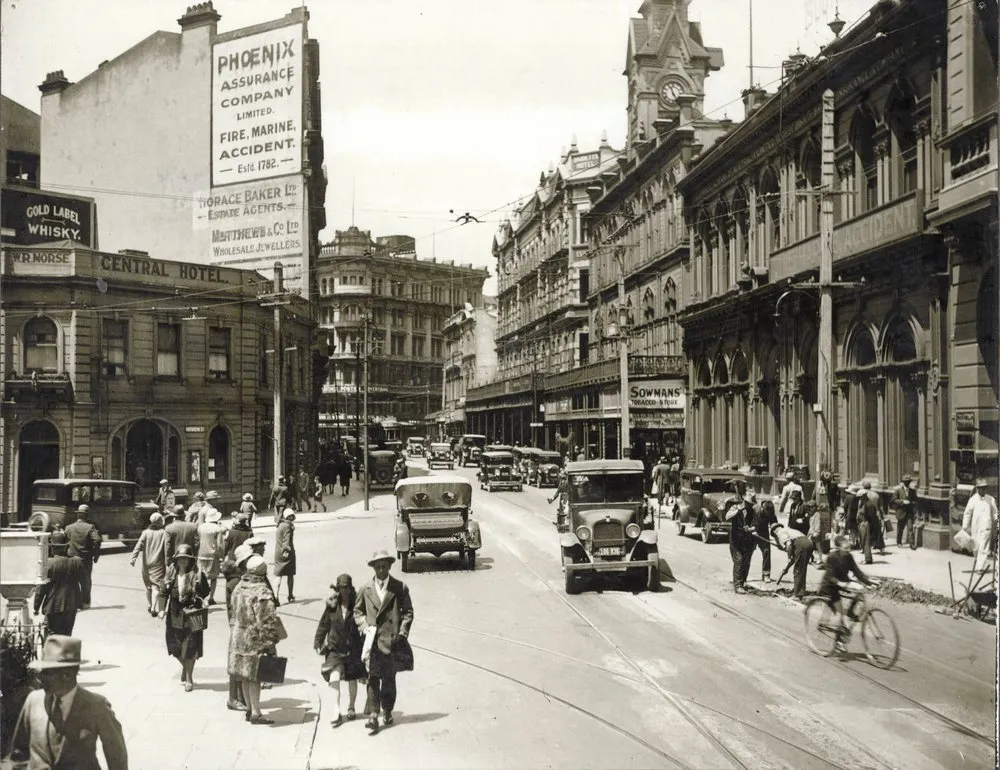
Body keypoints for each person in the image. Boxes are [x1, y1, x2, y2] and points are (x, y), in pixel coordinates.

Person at [9, 635, 128, 770]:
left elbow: (117, 758)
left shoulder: (97, 706)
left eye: (47, 673)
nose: (40, 677)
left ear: (67, 675)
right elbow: (19, 754)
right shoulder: (33, 701)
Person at [355, 549, 414, 734]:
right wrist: (364, 625)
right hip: (372, 642)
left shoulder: (399, 587)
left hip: (391, 641)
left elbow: (408, 612)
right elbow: (358, 612)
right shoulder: (365, 589)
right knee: (372, 678)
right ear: (373, 568)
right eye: (377, 566)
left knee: (389, 678)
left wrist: (402, 633)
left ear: (389, 566)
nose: (381, 569)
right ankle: (373, 714)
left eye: (384, 566)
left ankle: (387, 710)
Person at [228, 554, 286, 725]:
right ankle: (256, 713)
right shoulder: (262, 591)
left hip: (238, 637)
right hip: (254, 638)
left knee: (245, 675)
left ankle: (248, 709)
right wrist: (271, 643)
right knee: (255, 676)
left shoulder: (240, 586)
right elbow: (267, 620)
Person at [314, 574, 364, 727]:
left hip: (352, 648)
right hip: (334, 647)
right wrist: (318, 642)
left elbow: (364, 624)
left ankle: (351, 707)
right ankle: (336, 711)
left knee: (352, 678)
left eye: (347, 588)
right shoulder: (332, 605)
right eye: (341, 588)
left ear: (350, 588)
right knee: (334, 677)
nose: (344, 591)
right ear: (338, 589)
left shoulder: (357, 605)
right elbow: (323, 625)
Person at [159, 544, 209, 692]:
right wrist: (161, 609)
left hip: (191, 616)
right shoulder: (171, 574)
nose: (182, 562)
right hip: (174, 616)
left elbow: (205, 592)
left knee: (191, 648)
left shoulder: (197, 574)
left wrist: (201, 589)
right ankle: (185, 667)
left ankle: (189, 677)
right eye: (180, 559)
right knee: (174, 647)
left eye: (185, 559)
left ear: (190, 560)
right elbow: (163, 593)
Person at [818, 534, 879, 652]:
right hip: (830, 587)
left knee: (859, 591)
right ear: (838, 548)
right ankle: (839, 642)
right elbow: (831, 577)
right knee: (841, 614)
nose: (848, 551)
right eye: (845, 549)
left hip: (842, 583)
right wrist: (841, 584)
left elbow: (857, 572)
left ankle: (850, 612)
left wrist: (869, 581)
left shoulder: (849, 557)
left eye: (849, 548)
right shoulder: (832, 557)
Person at [33, 531, 86, 637]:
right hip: (71, 605)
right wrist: (83, 601)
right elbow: (85, 583)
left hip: (53, 606)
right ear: (66, 546)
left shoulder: (48, 564)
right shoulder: (77, 562)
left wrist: (36, 607)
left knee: (51, 637)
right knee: (66, 636)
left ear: (52, 548)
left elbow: (41, 588)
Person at [224, 543, 254, 712]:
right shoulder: (237, 581)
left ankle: (238, 697)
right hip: (240, 626)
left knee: (238, 661)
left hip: (238, 625)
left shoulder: (236, 579)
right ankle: (234, 698)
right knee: (238, 662)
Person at [63, 504, 102, 610]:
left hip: (71, 559)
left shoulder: (68, 527)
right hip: (85, 559)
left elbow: (63, 541)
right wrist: (96, 554)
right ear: (87, 515)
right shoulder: (90, 527)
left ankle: (74, 602)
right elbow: (97, 540)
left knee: (72, 581)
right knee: (86, 581)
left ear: (78, 515)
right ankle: (85, 603)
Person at [130, 512, 168, 616]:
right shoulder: (163, 533)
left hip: (146, 564)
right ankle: (154, 608)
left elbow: (138, 545)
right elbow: (167, 549)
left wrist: (133, 558)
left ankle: (150, 605)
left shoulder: (145, 532)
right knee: (156, 586)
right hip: (158, 564)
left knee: (148, 586)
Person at [770, 522, 814, 601]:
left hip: (801, 544)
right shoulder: (791, 530)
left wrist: (788, 555)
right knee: (802, 568)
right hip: (808, 543)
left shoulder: (780, 532)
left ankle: (796, 595)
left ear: (774, 531)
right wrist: (786, 568)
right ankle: (800, 591)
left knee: (798, 570)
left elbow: (788, 544)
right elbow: (794, 558)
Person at [962, 478, 998, 572]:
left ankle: (980, 567)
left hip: (987, 527)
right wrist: (965, 526)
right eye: (980, 488)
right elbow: (967, 513)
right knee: (976, 547)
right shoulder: (973, 500)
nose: (982, 490)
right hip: (976, 527)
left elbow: (995, 512)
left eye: (984, 488)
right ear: (977, 489)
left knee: (983, 546)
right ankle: (978, 562)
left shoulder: (990, 499)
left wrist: (997, 522)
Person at [725, 490, 758, 593]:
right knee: (738, 560)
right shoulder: (735, 507)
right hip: (735, 539)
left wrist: (751, 529)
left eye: (751, 504)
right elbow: (727, 517)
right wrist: (737, 511)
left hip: (747, 540)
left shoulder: (753, 511)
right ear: (744, 501)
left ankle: (743, 582)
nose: (749, 505)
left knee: (746, 562)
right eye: (748, 503)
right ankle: (737, 585)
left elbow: (756, 525)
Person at [196, 507, 226, 605]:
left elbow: (197, 541)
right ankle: (211, 597)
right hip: (213, 555)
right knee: (213, 577)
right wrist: (222, 556)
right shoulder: (217, 528)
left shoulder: (201, 527)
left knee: (200, 577)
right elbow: (220, 544)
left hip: (201, 554)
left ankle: (200, 596)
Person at [857, 480, 884, 564]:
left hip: (866, 520)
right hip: (876, 516)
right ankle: (880, 547)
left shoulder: (865, 501)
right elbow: (880, 506)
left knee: (866, 539)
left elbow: (866, 512)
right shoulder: (876, 494)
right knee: (878, 533)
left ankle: (867, 557)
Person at [752, 498, 779, 583]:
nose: (768, 515)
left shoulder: (771, 512)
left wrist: (778, 537)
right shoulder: (755, 509)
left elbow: (774, 526)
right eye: (766, 514)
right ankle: (742, 575)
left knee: (766, 552)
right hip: (752, 532)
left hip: (763, 533)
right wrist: (753, 531)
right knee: (747, 553)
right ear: (763, 508)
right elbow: (748, 522)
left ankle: (766, 574)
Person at [274, 508, 297, 603]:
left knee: (278, 575)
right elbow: (286, 540)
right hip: (286, 552)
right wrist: (286, 550)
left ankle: (275, 596)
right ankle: (290, 595)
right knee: (290, 575)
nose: (292, 518)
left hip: (278, 552)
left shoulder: (280, 525)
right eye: (291, 517)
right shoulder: (288, 526)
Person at [890, 474, 916, 550]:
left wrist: (911, 502)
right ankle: (899, 542)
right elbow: (893, 500)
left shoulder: (912, 491)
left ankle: (912, 543)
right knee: (900, 528)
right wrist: (902, 501)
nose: (907, 483)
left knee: (910, 528)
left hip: (909, 512)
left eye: (908, 482)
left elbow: (916, 500)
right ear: (903, 482)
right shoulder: (898, 490)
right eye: (906, 482)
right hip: (901, 512)